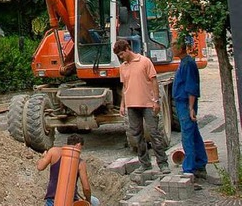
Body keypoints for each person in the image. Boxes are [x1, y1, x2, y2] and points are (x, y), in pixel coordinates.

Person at [113, 39, 170, 174]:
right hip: (132, 106)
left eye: (121, 54)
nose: (121, 58)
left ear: (127, 49)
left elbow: (154, 80)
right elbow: (125, 86)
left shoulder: (144, 61)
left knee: (154, 133)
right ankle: (145, 163)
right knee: (137, 135)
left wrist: (156, 100)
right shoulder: (123, 67)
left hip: (147, 104)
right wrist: (122, 105)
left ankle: (163, 163)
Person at [172, 40, 208, 179]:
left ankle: (189, 168)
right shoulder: (183, 63)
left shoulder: (188, 63)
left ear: (180, 48)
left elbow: (191, 87)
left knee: (187, 134)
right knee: (193, 133)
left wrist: (191, 107)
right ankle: (200, 162)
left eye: (173, 46)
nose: (171, 49)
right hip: (182, 102)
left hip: (186, 103)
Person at [37, 133, 100, 206]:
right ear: (78, 145)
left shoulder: (53, 151)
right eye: (81, 148)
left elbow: (40, 167)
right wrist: (88, 200)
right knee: (96, 202)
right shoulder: (80, 163)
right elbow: (86, 188)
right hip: (70, 201)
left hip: (52, 200)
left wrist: (43, 157)